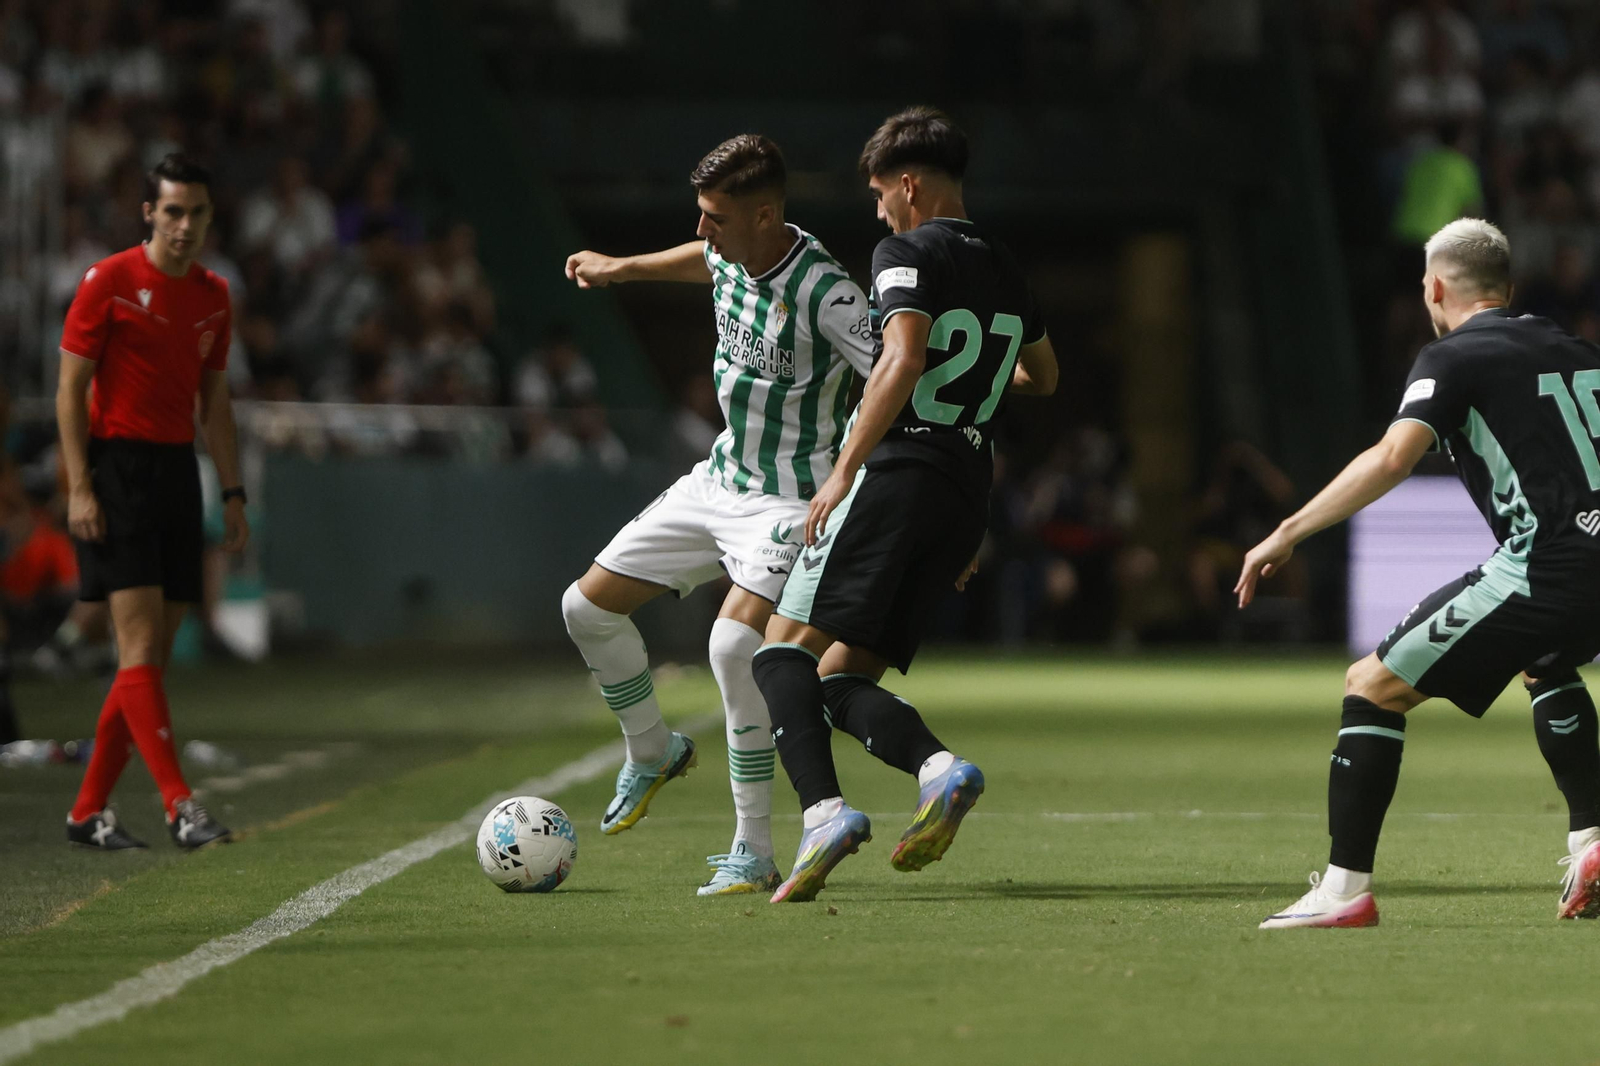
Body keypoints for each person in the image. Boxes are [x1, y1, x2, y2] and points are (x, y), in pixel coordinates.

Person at [1241, 218, 1600, 928]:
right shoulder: (1577, 349)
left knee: (1370, 686)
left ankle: (1343, 892)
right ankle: (1592, 844)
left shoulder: (1452, 356)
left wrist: (1287, 531)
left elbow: (1392, 457)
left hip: (1551, 563)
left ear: (1435, 288)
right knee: (1545, 663)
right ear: (1511, 287)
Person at [749, 107, 1058, 903]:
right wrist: (984, 378)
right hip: (964, 492)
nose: (879, 209)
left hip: (897, 476)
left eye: (883, 193)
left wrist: (842, 469)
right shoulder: (1007, 266)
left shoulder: (905, 250)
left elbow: (902, 356)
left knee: (778, 651)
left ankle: (823, 815)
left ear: (910, 185)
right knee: (838, 677)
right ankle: (939, 770)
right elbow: (1044, 377)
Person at [560, 135, 874, 896]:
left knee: (733, 646)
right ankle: (651, 750)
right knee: (584, 609)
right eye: (699, 215)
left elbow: (893, 371)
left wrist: (862, 476)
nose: (704, 232)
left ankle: (754, 848)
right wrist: (620, 268)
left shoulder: (826, 293)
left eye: (716, 218)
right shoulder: (728, 252)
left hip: (790, 499)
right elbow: (699, 262)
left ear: (766, 214)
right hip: (719, 479)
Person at [58, 154, 250, 851]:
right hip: (119, 471)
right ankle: (180, 806)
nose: (185, 225)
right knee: (138, 648)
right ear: (149, 213)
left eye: (197, 212)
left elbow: (215, 401)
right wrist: (80, 484)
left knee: (149, 659)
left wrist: (231, 491)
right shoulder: (107, 281)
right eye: (173, 211)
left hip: (176, 473)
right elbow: (69, 391)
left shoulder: (213, 295)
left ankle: (87, 813)